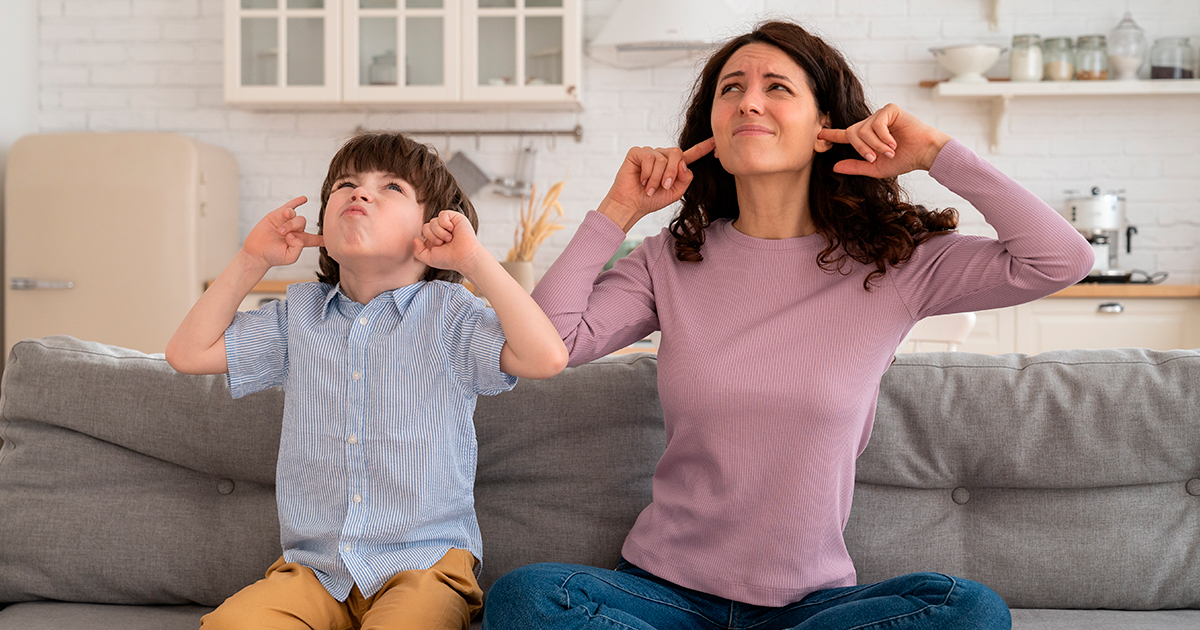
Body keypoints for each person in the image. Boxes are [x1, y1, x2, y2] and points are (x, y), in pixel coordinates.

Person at [482, 20, 1093, 630]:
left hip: (810, 608)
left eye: (777, 87)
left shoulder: (894, 262)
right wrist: (619, 210)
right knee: (528, 596)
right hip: (663, 595)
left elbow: (1061, 260)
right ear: (712, 128)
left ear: (825, 122)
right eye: (730, 88)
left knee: (969, 610)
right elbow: (550, 342)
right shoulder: (669, 259)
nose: (749, 101)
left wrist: (937, 153)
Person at [165, 132, 568, 630]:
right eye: (346, 184)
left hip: (425, 566)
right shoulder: (297, 317)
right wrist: (252, 260)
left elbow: (547, 357)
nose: (359, 192)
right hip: (315, 572)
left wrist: (474, 261)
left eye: (391, 187)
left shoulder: (450, 316)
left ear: (433, 230)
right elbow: (187, 353)